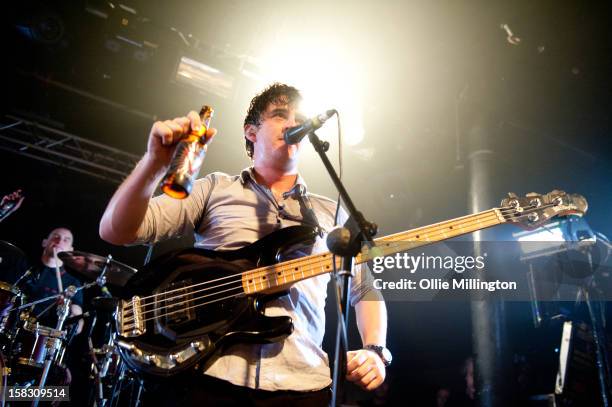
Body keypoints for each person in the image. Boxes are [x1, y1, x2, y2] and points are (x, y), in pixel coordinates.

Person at [100, 83, 389, 406]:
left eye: (299, 117)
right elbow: (118, 231)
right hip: (211, 374)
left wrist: (376, 351)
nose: (293, 123)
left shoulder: (330, 211)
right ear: (251, 132)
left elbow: (364, 290)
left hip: (303, 385)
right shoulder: (215, 188)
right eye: (280, 115)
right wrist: (154, 163)